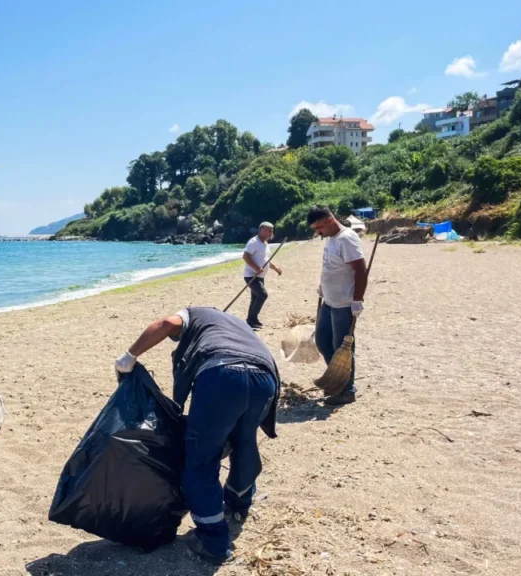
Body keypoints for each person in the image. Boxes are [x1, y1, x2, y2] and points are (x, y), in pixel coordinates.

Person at [115, 307, 280, 565]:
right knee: (244, 442)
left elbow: (166, 323)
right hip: (265, 377)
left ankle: (213, 541)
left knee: (200, 460)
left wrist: (130, 355)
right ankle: (239, 502)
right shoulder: (234, 323)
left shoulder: (192, 314)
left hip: (223, 376)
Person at [307, 206, 367, 406]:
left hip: (343, 304)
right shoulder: (332, 239)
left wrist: (357, 300)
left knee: (342, 347)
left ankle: (346, 390)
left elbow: (360, 270)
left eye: (319, 228)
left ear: (330, 220)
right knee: (323, 341)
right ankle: (337, 379)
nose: (318, 233)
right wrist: (323, 287)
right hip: (329, 301)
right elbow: (331, 267)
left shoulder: (347, 239)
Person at [242, 222, 282, 330]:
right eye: (269, 231)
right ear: (262, 230)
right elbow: (245, 257)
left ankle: (252, 320)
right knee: (262, 295)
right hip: (251, 275)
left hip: (260, 277)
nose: (271, 233)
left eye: (272, 231)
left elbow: (267, 261)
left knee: (255, 298)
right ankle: (252, 319)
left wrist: (276, 268)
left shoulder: (265, 244)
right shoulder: (253, 242)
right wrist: (255, 268)